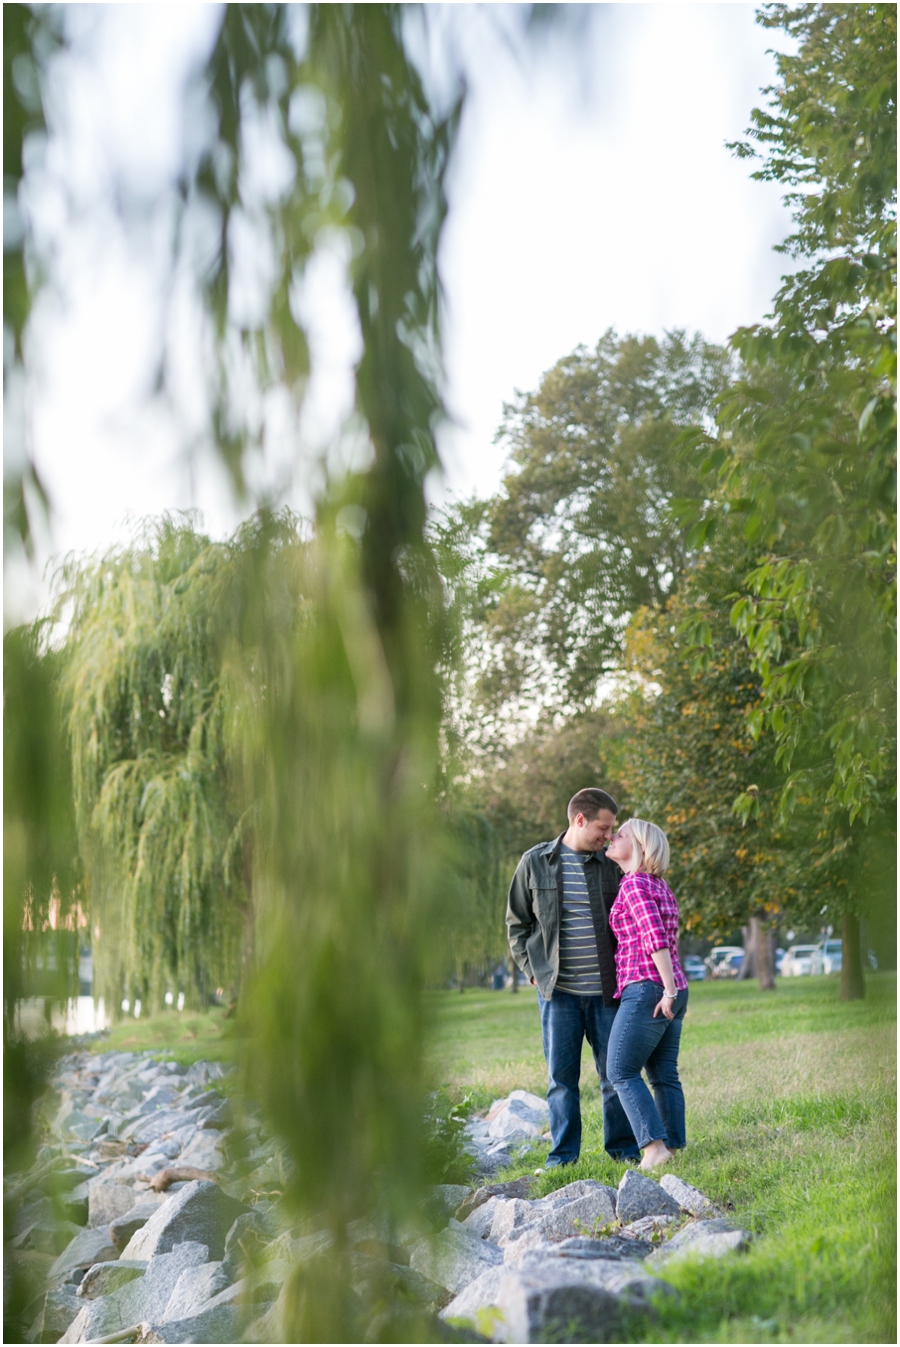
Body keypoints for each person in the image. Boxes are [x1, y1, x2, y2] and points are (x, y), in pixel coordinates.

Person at [506, 788, 640, 1167]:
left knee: (614, 1076)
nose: (609, 836)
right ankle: (563, 1158)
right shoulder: (535, 862)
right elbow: (517, 923)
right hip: (558, 994)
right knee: (561, 1082)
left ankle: (624, 1152)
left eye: (612, 829)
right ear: (579, 820)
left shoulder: (612, 863)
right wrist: (532, 972)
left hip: (608, 993)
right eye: (603, 827)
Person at [605, 817, 689, 1170]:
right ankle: (672, 1147)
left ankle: (654, 1150)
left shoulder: (635, 885)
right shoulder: (659, 885)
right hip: (674, 988)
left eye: (619, 834)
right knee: (663, 1074)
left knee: (620, 1070)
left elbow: (655, 939)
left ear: (638, 847)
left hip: (648, 988)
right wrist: (673, 989)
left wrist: (666, 990)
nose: (611, 836)